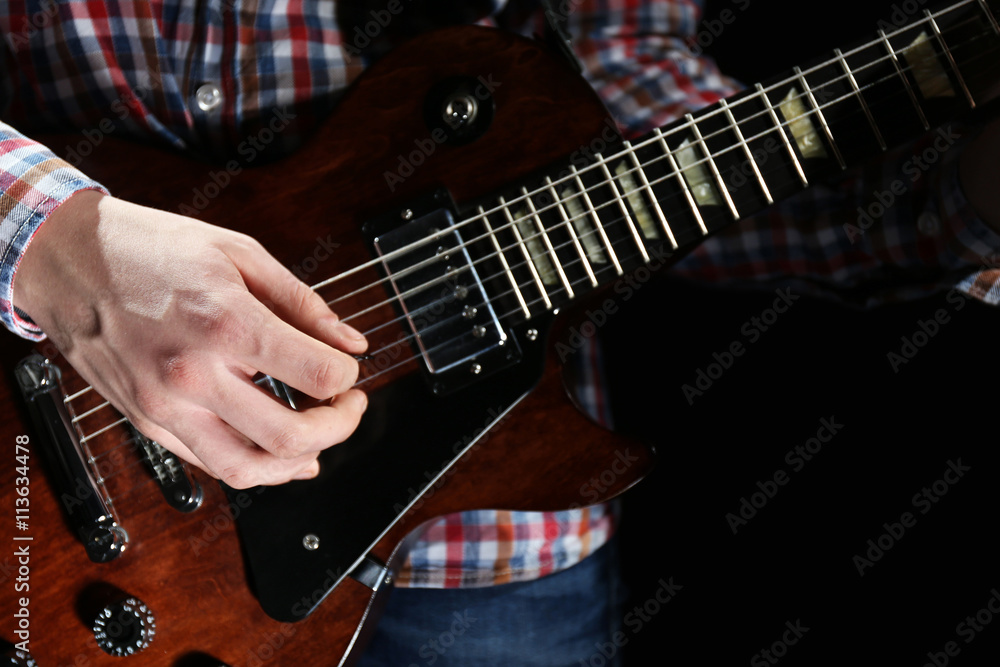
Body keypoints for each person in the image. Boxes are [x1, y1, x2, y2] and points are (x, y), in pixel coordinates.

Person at [2, 0, 999, 665]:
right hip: (51, 466)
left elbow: (634, 102)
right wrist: (49, 240)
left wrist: (972, 199)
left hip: (490, 569)